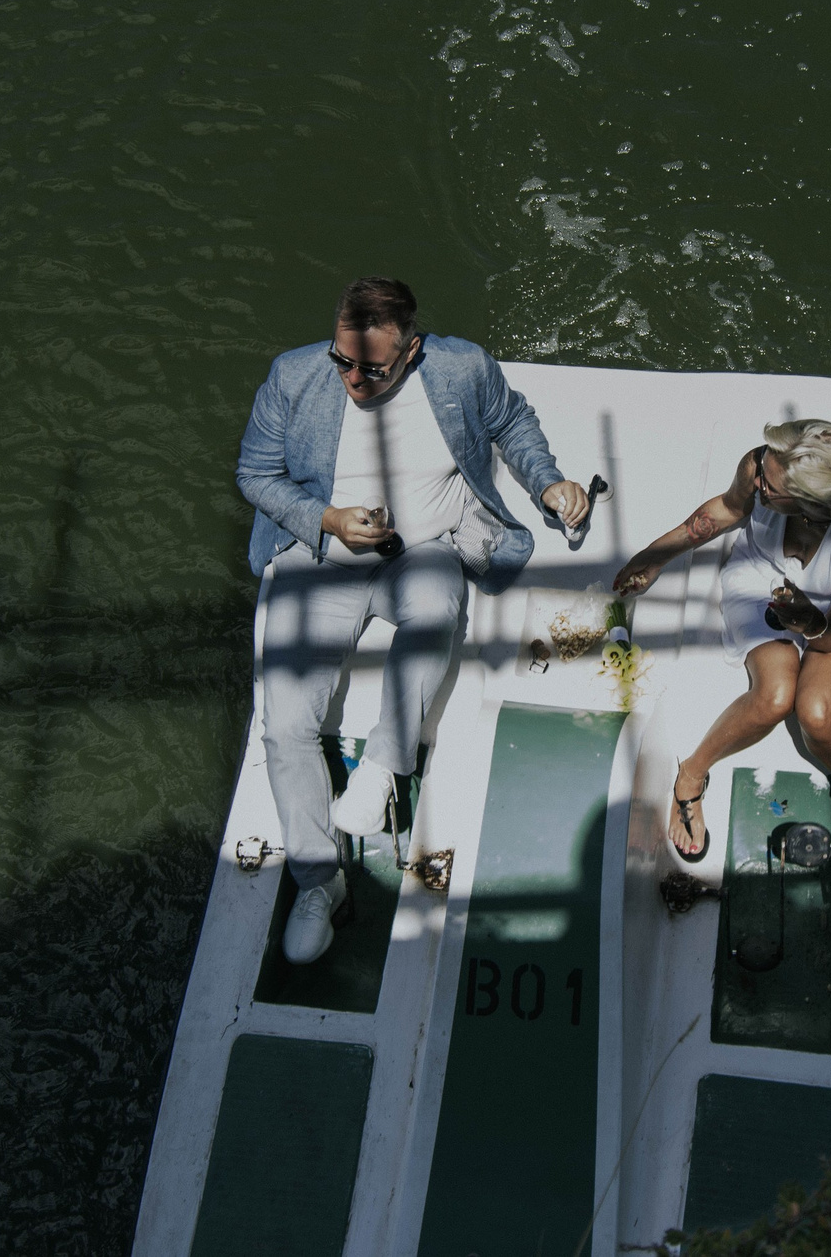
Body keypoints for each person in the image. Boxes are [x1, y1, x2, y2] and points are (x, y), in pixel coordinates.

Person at [238, 277, 590, 963]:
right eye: (343, 360)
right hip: (320, 558)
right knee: (283, 722)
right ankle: (319, 881)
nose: (353, 379)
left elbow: (510, 421)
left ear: (411, 350)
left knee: (437, 611)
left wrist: (548, 482)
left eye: (373, 367)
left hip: (421, 550)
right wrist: (328, 518)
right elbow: (255, 473)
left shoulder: (461, 368)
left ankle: (381, 769)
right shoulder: (293, 377)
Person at [613, 408, 831, 871]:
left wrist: (807, 622)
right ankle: (692, 772)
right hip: (761, 577)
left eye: (770, 487)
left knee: (818, 714)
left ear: (812, 505)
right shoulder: (761, 465)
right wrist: (654, 557)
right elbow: (725, 510)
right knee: (775, 695)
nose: (758, 481)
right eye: (763, 472)